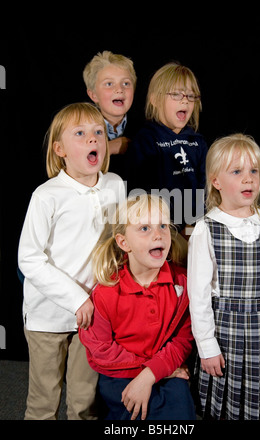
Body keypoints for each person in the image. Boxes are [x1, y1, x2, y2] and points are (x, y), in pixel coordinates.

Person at [18, 102, 125, 420]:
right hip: (47, 318)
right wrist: (78, 299)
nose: (93, 139)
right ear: (60, 149)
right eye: (80, 133)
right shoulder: (47, 195)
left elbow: (117, 245)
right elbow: (30, 259)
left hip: (93, 319)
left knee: (84, 402)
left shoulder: (115, 186)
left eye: (98, 132)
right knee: (43, 403)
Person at [187, 133, 260, 420]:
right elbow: (198, 297)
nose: (248, 179)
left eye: (253, 171)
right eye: (237, 172)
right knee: (229, 407)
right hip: (226, 335)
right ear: (216, 181)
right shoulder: (206, 229)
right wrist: (207, 346)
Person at [79, 193, 196, 420]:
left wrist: (152, 373)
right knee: (133, 410)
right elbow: (101, 351)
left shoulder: (182, 283)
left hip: (166, 369)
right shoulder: (105, 293)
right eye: (145, 228)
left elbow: (183, 340)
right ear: (124, 242)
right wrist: (148, 372)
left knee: (179, 403)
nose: (158, 234)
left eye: (163, 225)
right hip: (120, 373)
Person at [124, 62, 208, 250]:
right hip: (162, 231)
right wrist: (168, 229)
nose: (185, 101)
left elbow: (206, 189)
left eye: (191, 95)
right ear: (155, 99)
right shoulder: (146, 140)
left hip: (195, 229)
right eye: (176, 94)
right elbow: (140, 193)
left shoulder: (198, 142)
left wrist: (195, 227)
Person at [83, 50, 138, 177]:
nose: (119, 89)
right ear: (93, 95)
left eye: (126, 83)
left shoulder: (146, 129)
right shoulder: (81, 130)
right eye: (109, 84)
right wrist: (108, 148)